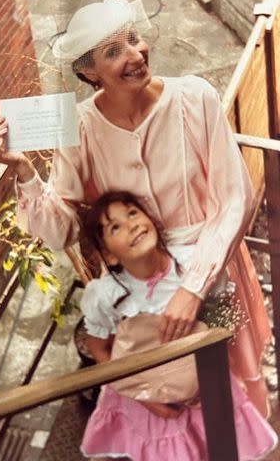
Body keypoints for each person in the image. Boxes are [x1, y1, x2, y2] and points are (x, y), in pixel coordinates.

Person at [0, 0, 271, 417]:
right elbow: (62, 228)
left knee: (222, 393)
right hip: (141, 298)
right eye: (114, 51)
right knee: (170, 395)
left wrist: (193, 286)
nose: (136, 54)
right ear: (89, 72)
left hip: (213, 272)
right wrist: (25, 171)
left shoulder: (195, 98)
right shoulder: (79, 127)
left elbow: (235, 198)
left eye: (134, 38)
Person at [78, 190, 277, 461]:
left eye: (133, 213)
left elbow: (219, 318)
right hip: (147, 394)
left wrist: (220, 375)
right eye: (115, 226)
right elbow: (99, 349)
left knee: (218, 444)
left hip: (203, 385)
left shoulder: (192, 264)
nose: (132, 224)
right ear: (109, 256)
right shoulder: (107, 295)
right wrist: (144, 399)